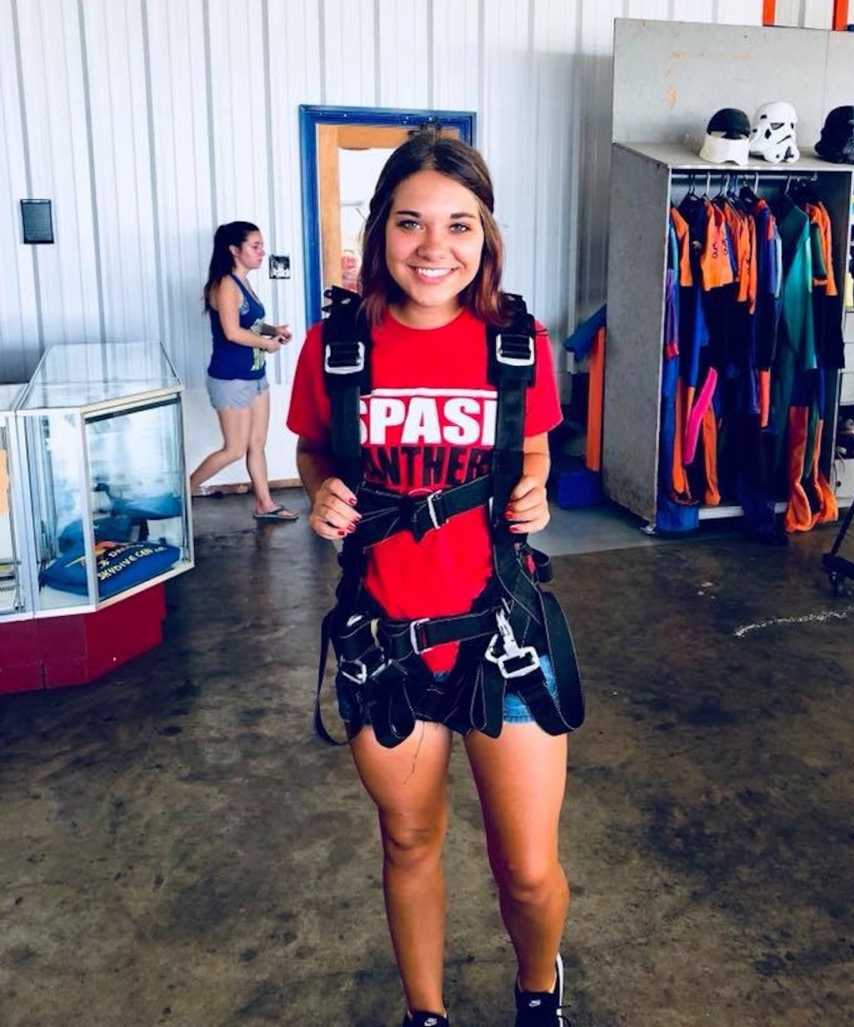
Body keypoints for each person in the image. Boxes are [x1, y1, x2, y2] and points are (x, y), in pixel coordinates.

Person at [287, 130, 580, 1027]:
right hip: (386, 642)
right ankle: (427, 1013)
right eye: (410, 223)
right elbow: (310, 448)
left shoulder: (518, 344)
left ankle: (539, 990)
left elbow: (531, 449)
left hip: (504, 635)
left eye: (459, 225)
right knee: (410, 840)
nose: (433, 248)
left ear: (485, 235)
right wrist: (320, 490)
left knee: (526, 867)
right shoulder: (337, 347)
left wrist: (534, 490)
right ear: (381, 232)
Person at [190, 221, 298, 521]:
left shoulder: (243, 281)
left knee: (257, 444)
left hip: (254, 376)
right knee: (235, 449)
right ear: (235, 250)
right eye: (256, 246)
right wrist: (268, 345)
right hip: (230, 379)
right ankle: (182, 494)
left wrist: (272, 329)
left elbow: (247, 323)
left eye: (261, 245)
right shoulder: (225, 283)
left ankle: (265, 505)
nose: (262, 252)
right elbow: (232, 332)